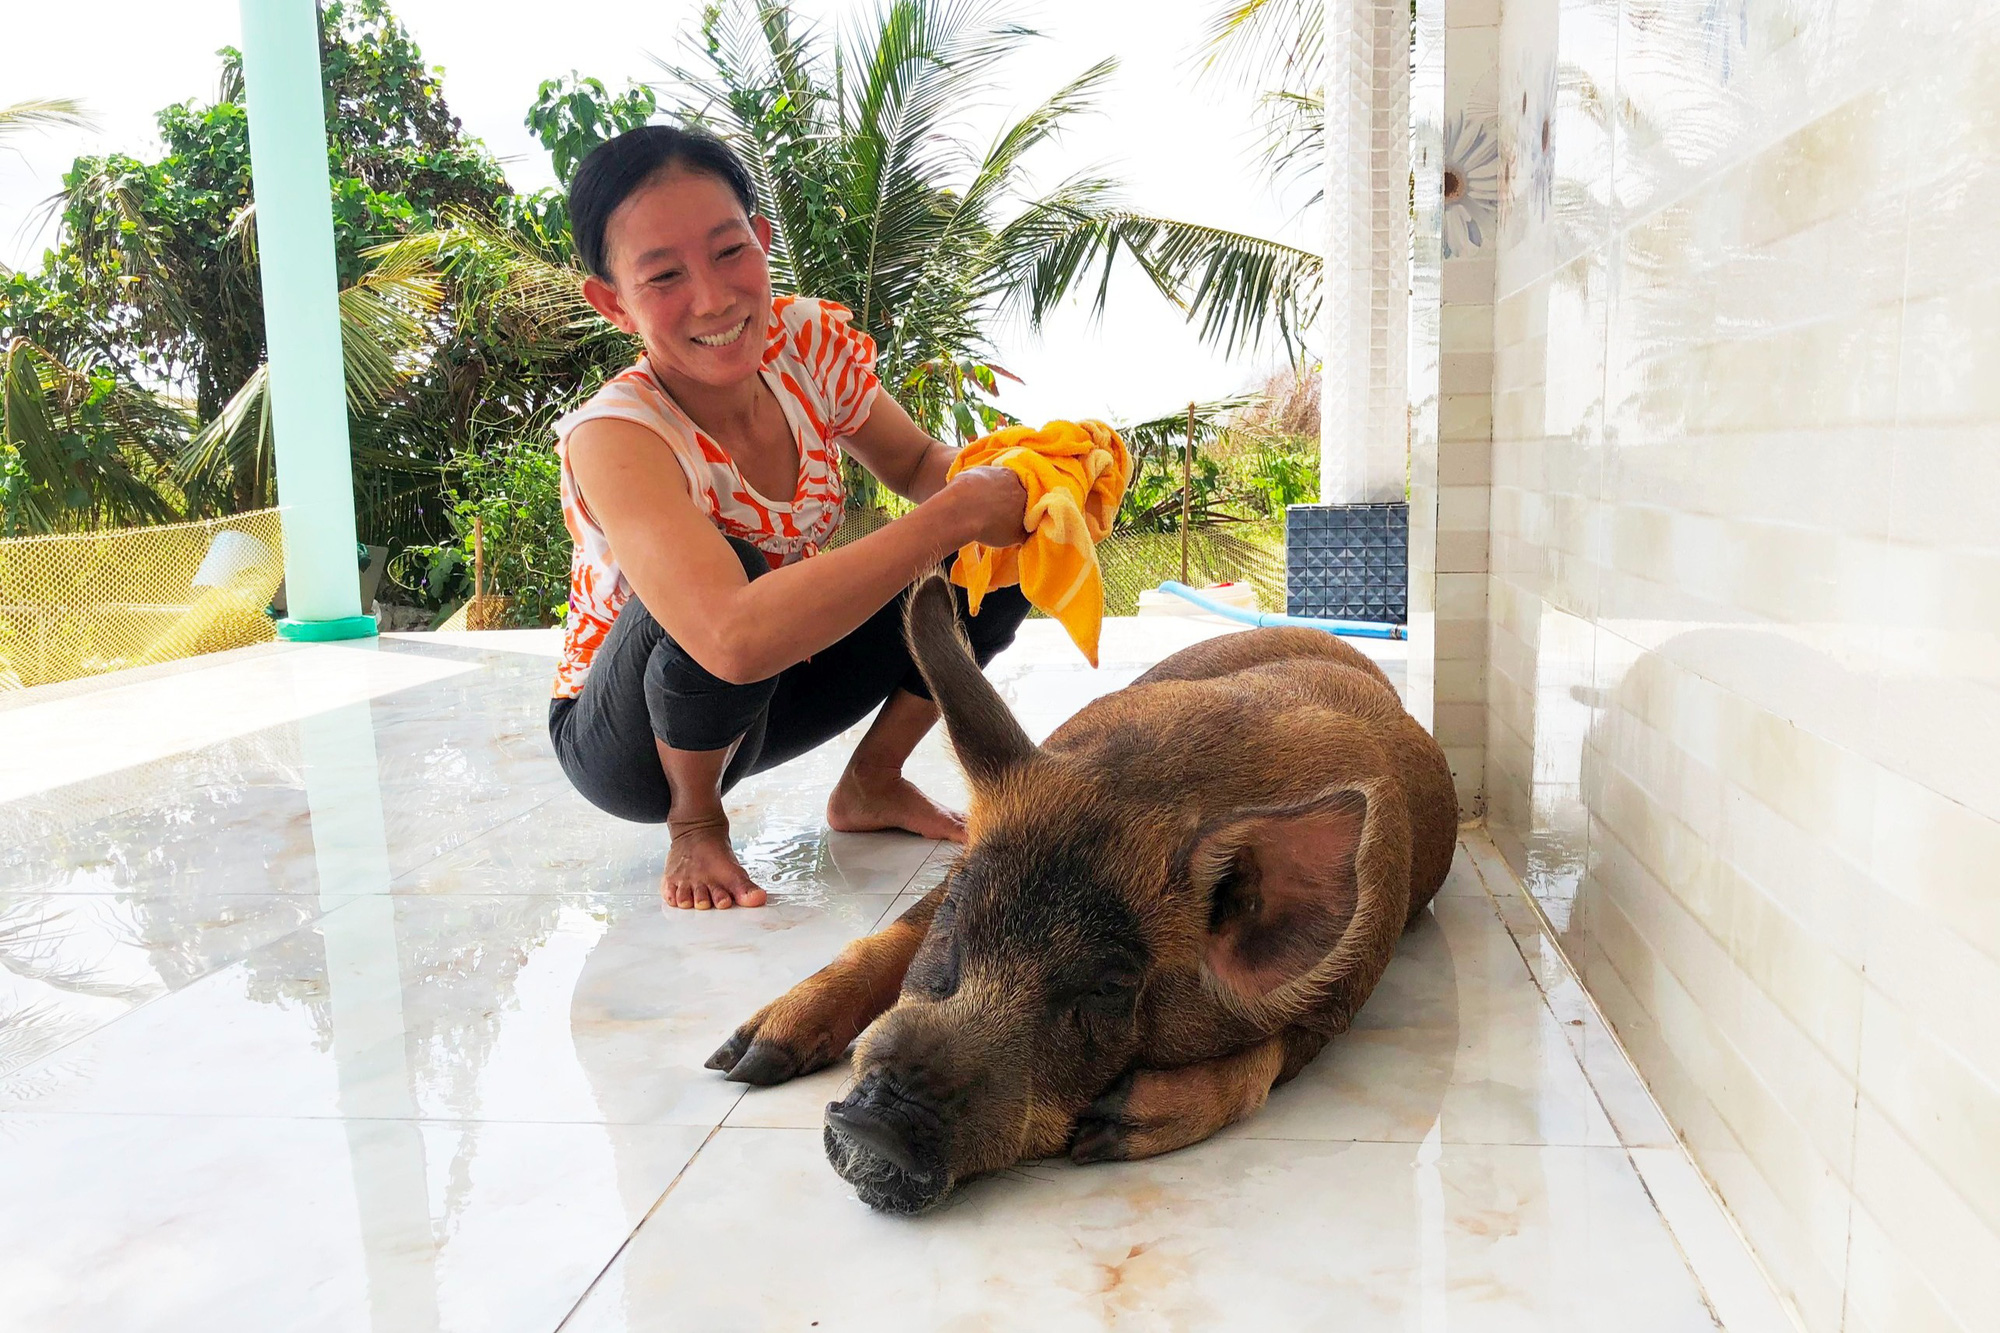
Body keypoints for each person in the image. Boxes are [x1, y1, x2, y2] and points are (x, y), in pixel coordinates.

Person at [547, 123, 1033, 912]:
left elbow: (915, 466)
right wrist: (954, 513)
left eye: (729, 251)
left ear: (762, 240)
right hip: (630, 741)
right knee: (735, 571)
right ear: (614, 303)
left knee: (1002, 555)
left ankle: (873, 782)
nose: (713, 297)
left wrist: (1029, 475)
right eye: (663, 275)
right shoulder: (616, 435)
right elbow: (730, 637)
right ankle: (696, 819)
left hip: (769, 690)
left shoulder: (803, 340)